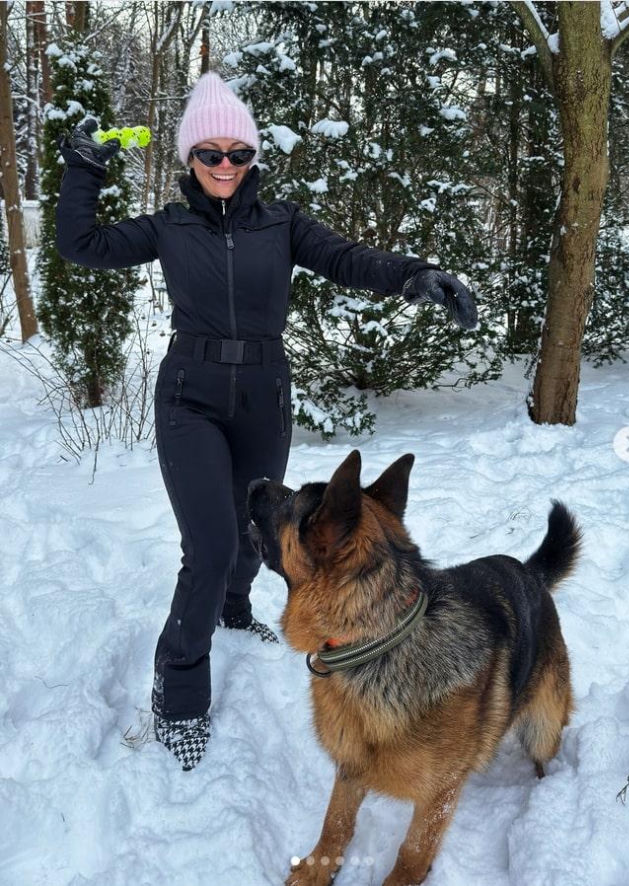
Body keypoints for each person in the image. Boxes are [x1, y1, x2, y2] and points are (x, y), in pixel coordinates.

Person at [55, 71, 477, 771]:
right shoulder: (169, 225)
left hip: (263, 391)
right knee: (210, 544)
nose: (225, 167)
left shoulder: (283, 224)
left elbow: (347, 259)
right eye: (211, 154)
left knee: (257, 527)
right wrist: (83, 170)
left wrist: (414, 275)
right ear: (190, 158)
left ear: (253, 159)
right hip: (188, 394)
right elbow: (82, 245)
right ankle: (180, 692)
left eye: (238, 154)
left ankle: (232, 609)